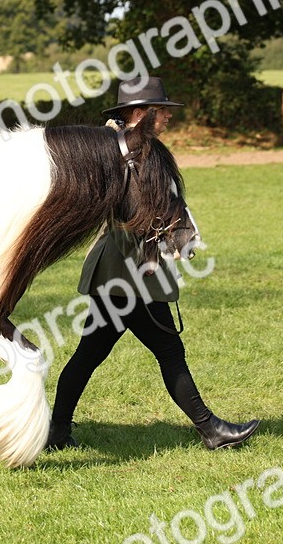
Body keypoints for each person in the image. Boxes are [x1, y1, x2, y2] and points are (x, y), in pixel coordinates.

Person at [47, 77, 260, 451]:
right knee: (165, 351)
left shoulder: (141, 148)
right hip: (127, 268)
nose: (167, 117)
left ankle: (57, 432)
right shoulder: (118, 151)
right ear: (139, 113)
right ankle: (211, 430)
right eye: (161, 111)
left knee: (90, 355)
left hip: (125, 268)